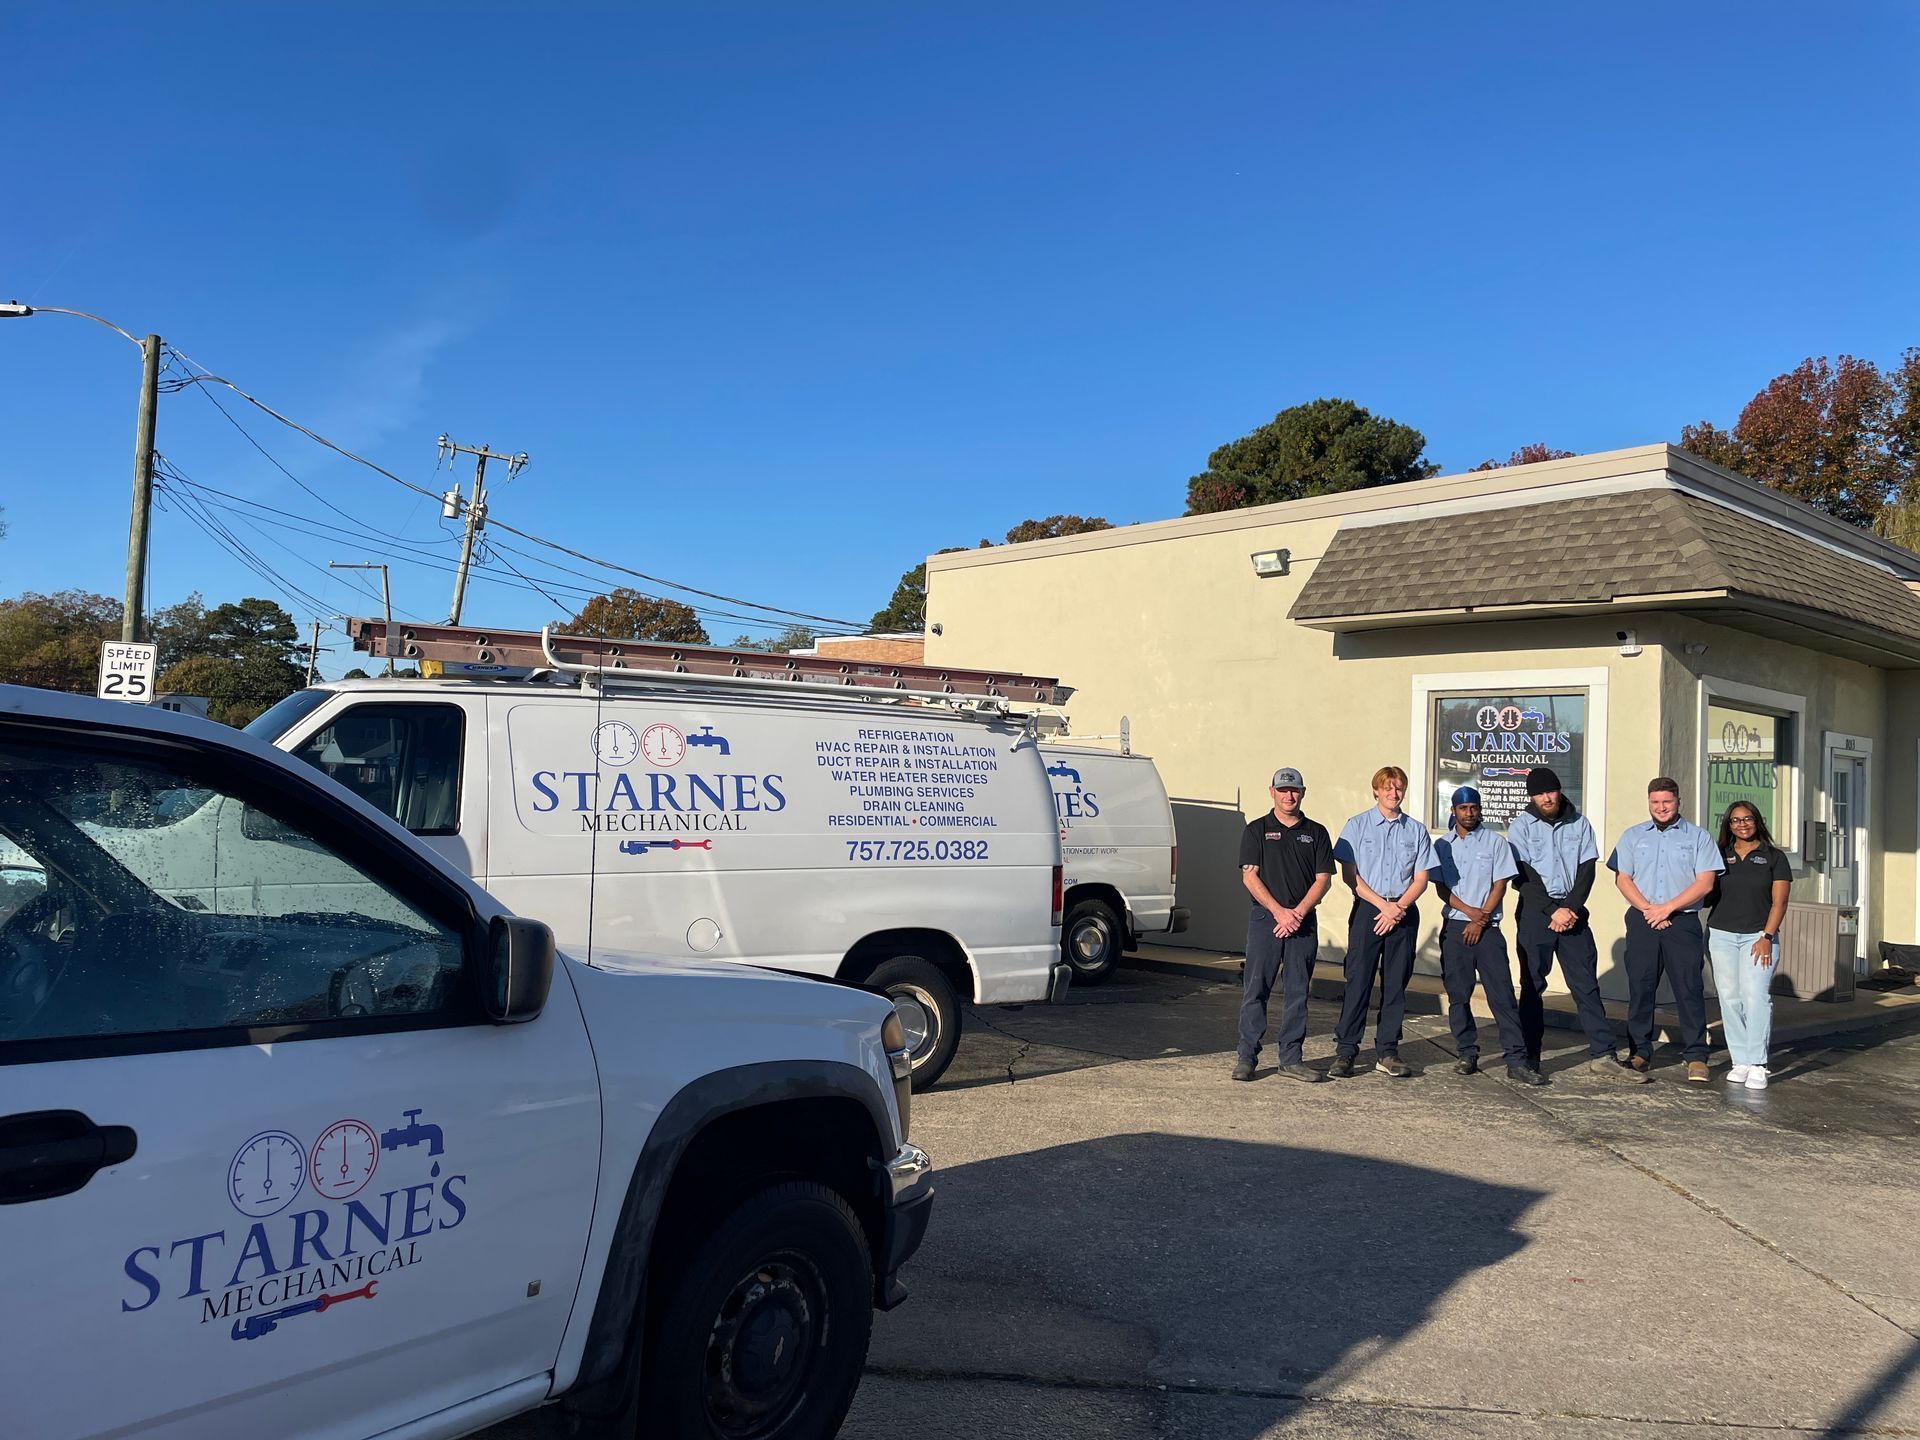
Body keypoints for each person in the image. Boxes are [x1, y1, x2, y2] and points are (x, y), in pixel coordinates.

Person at [1507, 766, 1644, 1084]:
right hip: (1536, 914)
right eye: (1539, 793)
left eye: (1550, 791)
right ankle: (1530, 1058)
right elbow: (1523, 877)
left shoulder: (1580, 823)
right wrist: (1551, 910)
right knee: (1532, 985)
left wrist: (1569, 908)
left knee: (1586, 986)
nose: (1546, 797)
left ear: (1559, 791)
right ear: (1532, 796)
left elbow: (1587, 871)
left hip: (1573, 913)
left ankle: (1603, 1055)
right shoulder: (1521, 827)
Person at [1608, 777, 1725, 1082]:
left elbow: (1705, 882)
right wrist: (1650, 909)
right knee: (1641, 986)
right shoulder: (1633, 836)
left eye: (1667, 802)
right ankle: (1640, 1052)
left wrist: (1667, 907)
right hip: (1643, 919)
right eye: (1655, 802)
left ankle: (1697, 1055)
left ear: (1678, 802)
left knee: (1689, 988)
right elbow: (1623, 878)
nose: (1661, 808)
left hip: (1682, 921)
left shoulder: (1698, 837)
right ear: (1649, 802)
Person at [1432, 787, 1544, 1086]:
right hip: (1456, 928)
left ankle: (1517, 1060)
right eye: (1464, 808)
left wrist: (1480, 920)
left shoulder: (1496, 843)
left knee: (1503, 996)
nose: (1470, 813)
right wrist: (1470, 913)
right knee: (1458, 996)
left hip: (1488, 930)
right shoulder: (1443, 846)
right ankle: (1466, 1052)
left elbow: (1500, 885)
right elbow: (1442, 888)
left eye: (1474, 807)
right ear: (1453, 811)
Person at [1330, 766, 1435, 1078]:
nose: (1394, 793)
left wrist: (1398, 907)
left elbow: (1421, 878)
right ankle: (1346, 1051)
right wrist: (1382, 907)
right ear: (1375, 791)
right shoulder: (1357, 826)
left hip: (1403, 913)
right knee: (1358, 981)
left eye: (1399, 788)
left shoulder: (1416, 830)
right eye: (1387, 788)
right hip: (1368, 911)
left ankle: (1388, 1051)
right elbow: (1351, 876)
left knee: (1395, 985)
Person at [1234, 767, 1335, 1083]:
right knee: (1256, 990)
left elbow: (1323, 880)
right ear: (1272, 792)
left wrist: (1298, 913)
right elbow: (1249, 876)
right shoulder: (1256, 830)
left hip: (1302, 924)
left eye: (1294, 790)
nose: (1288, 796)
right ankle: (1246, 1059)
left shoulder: (1316, 833)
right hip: (1266, 921)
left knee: (1297, 992)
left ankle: (1291, 1059)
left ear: (1303, 792)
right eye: (1282, 790)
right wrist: (1279, 912)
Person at [1707, 802, 1792, 1090]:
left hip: (1758, 937)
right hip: (1721, 935)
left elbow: (1779, 902)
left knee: (1755, 996)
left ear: (1757, 821)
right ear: (1728, 825)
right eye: (1735, 820)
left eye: (1747, 819)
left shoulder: (1774, 857)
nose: (1742, 824)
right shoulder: (1720, 855)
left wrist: (1767, 937)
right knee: (1730, 997)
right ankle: (1739, 1060)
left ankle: (1757, 1062)